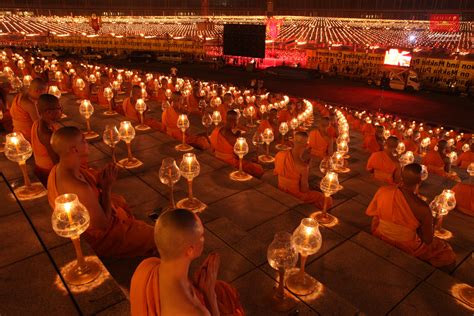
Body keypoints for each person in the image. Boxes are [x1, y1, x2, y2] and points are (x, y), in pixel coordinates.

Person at [47, 126, 156, 257]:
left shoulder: (58, 169)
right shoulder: (79, 186)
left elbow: (91, 183)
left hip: (94, 222)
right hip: (104, 238)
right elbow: (103, 225)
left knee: (120, 202)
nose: (87, 143)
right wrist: (107, 187)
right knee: (159, 238)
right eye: (83, 140)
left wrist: (103, 177)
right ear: (74, 149)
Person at [130, 209, 244, 316]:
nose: (204, 239)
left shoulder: (147, 265)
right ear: (190, 250)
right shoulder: (195, 311)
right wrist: (210, 297)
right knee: (227, 298)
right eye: (201, 236)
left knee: (222, 289)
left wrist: (196, 286)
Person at [366, 163, 456, 267]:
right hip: (407, 245)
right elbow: (427, 240)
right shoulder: (422, 208)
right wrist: (434, 222)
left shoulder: (383, 191)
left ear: (401, 177)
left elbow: (372, 212)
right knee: (445, 250)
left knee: (376, 220)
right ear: (420, 180)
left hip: (381, 233)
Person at [274, 131, 330, 210]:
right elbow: (304, 190)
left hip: (281, 187)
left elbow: (276, 172)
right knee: (327, 199)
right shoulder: (303, 166)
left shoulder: (280, 154)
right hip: (295, 195)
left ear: (293, 140)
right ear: (307, 145)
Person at [210, 110, 264, 178]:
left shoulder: (216, 130)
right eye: (237, 120)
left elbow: (212, 147)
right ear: (234, 121)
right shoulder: (230, 135)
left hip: (217, 156)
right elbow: (238, 152)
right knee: (259, 169)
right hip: (229, 161)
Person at [31, 94, 62, 186]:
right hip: (49, 171)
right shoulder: (46, 134)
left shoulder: (37, 123)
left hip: (40, 166)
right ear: (48, 112)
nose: (61, 112)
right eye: (59, 109)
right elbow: (56, 160)